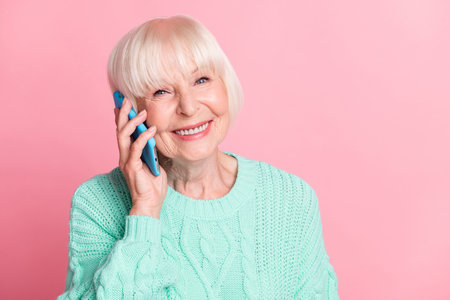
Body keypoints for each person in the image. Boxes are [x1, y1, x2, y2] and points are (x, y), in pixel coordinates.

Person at [57, 14, 339, 299]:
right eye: (162, 91)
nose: (189, 107)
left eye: (201, 79)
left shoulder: (291, 199)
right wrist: (144, 211)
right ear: (128, 112)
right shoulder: (96, 204)